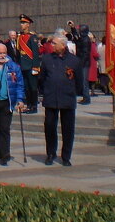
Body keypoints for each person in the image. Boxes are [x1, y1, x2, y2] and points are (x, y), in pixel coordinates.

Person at [38, 32, 82, 166]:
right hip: (51, 99)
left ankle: (66, 156)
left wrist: (73, 92)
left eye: (54, 43)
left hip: (67, 99)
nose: (52, 45)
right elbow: (41, 78)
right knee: (50, 128)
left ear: (63, 45)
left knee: (68, 130)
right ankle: (50, 153)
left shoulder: (74, 60)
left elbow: (79, 81)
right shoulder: (47, 59)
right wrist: (45, 91)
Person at [15, 15, 40, 113]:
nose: (22, 25)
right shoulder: (20, 37)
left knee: (33, 87)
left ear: (28, 24)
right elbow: (18, 53)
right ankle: (28, 105)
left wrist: (35, 67)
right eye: (21, 23)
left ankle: (34, 106)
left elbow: (35, 53)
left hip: (31, 66)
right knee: (26, 87)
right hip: (23, 66)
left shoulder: (32, 37)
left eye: (24, 23)